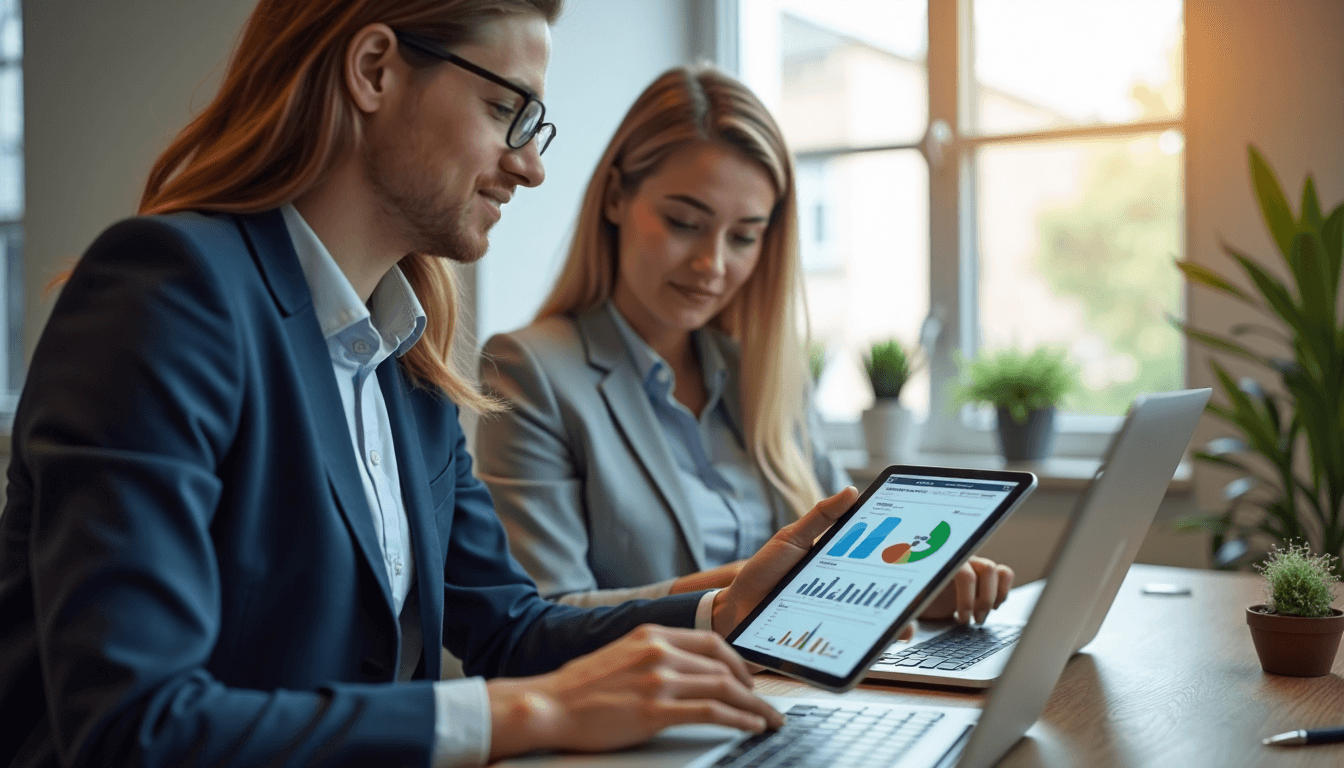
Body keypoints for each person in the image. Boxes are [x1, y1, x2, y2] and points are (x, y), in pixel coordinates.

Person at [0, 3, 875, 765]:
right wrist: (526, 713)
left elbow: (510, 629)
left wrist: (723, 611)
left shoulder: (403, 359)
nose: (530, 166)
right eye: (505, 110)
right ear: (374, 70)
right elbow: (135, 726)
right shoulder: (169, 290)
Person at [475, 67, 1014, 618]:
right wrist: (739, 595)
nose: (712, 264)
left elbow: (845, 553)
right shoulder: (531, 370)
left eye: (744, 236)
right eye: (684, 222)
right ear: (615, 197)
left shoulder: (765, 376)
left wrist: (908, 585)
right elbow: (545, 620)